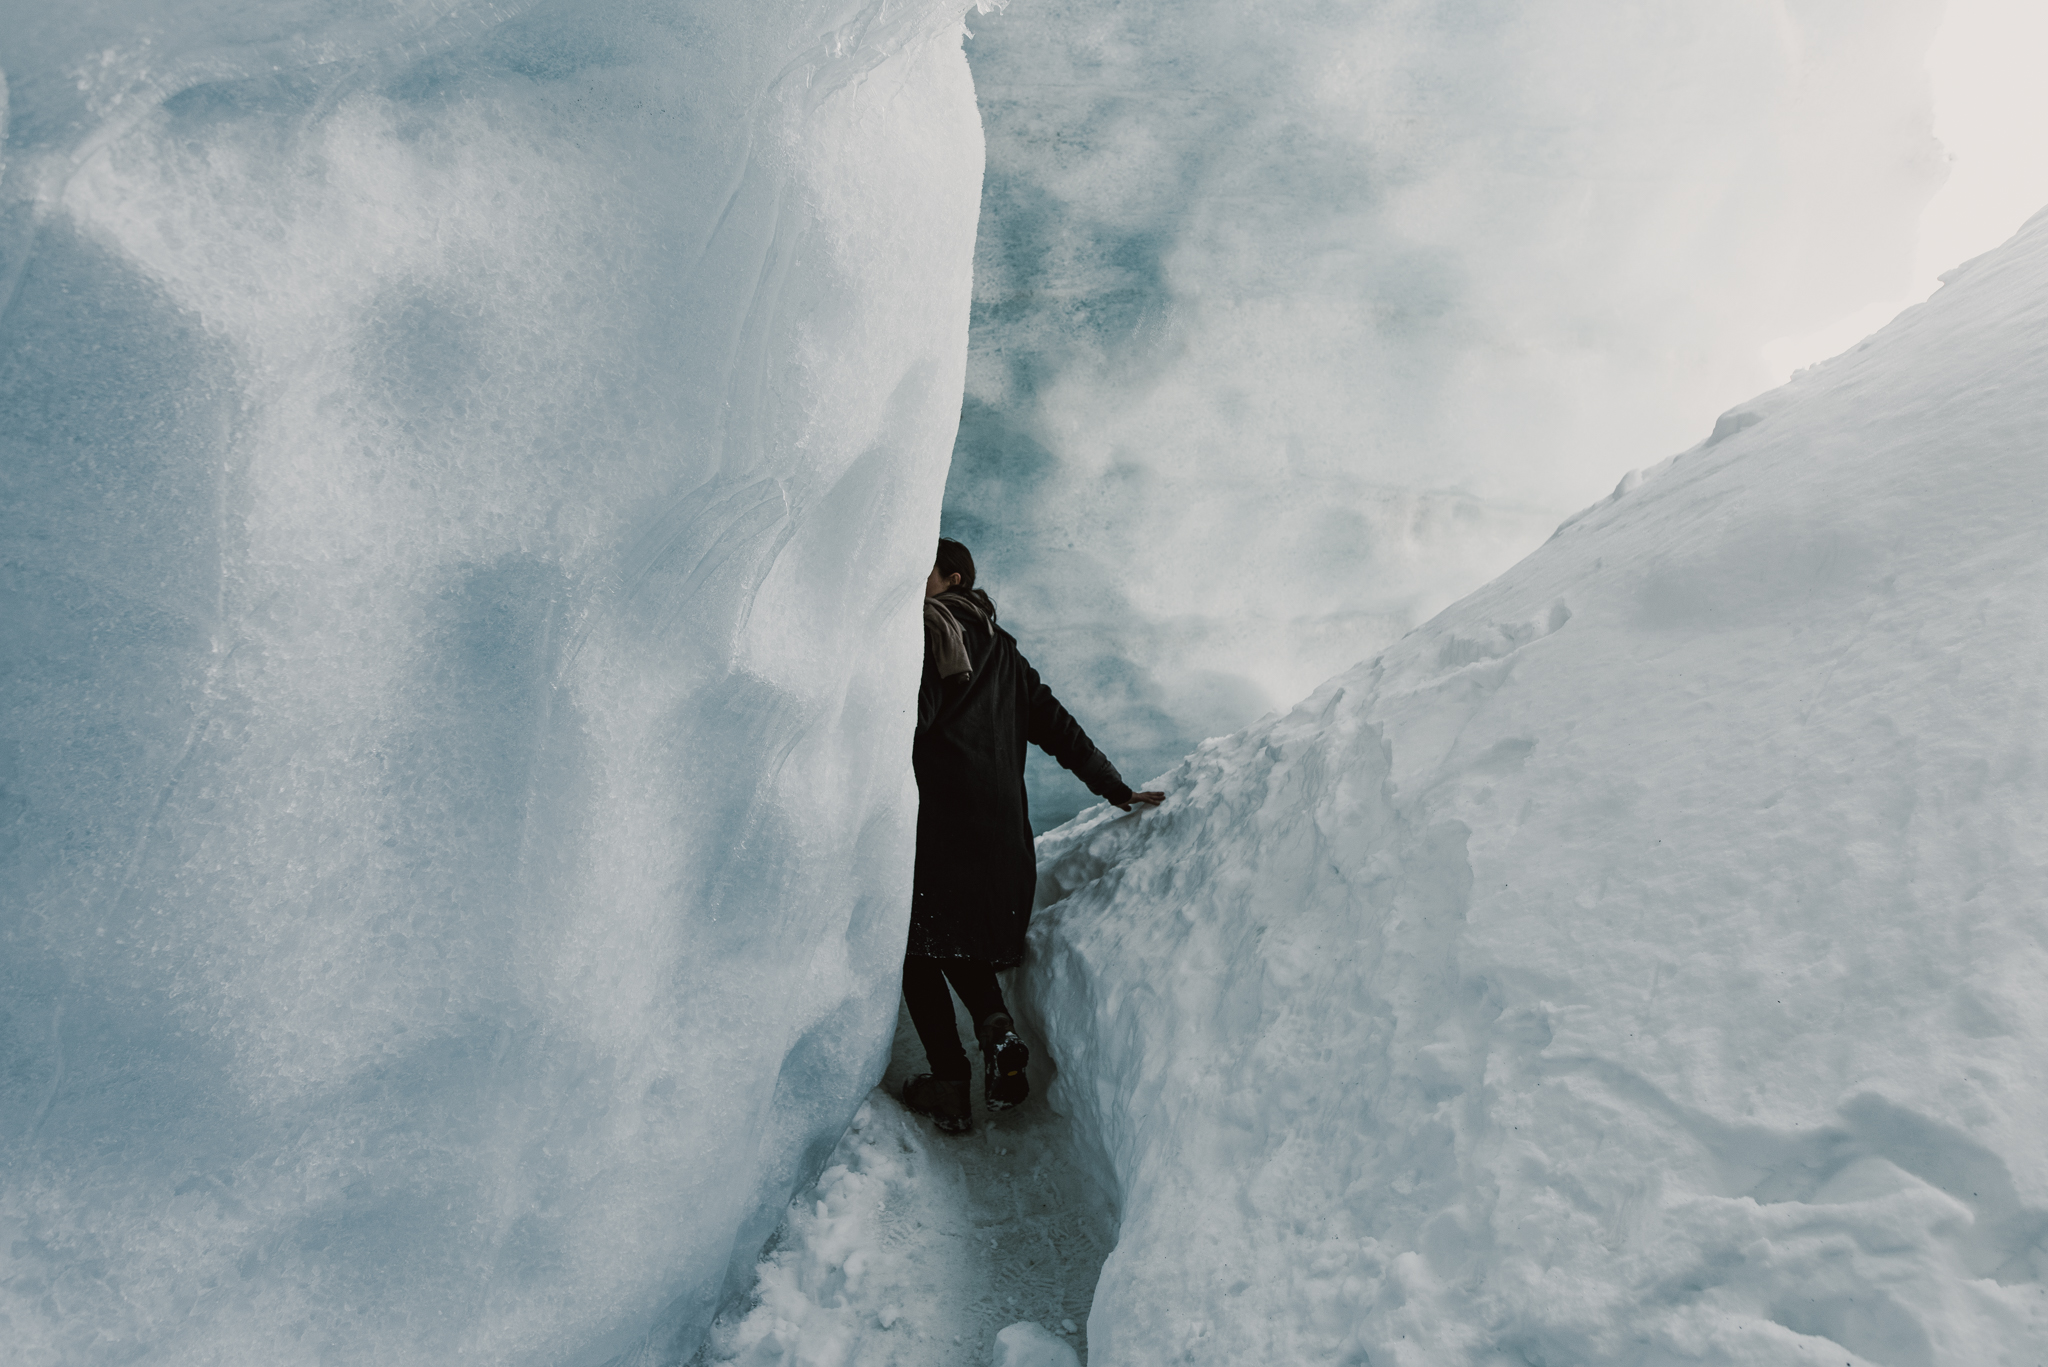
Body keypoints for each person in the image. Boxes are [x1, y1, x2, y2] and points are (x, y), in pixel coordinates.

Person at [899, 537, 1164, 1134]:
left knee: (916, 949)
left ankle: (949, 1083)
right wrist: (1115, 788)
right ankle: (997, 1030)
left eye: (922, 573)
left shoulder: (930, 633)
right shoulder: (1006, 653)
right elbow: (1059, 728)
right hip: (999, 840)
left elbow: (907, 722)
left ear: (955, 579)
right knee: (951, 939)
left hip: (940, 828)